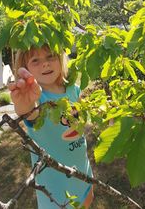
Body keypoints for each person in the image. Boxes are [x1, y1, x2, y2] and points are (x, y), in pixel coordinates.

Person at [8, 44, 93, 209]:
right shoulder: (37, 99)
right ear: (25, 68)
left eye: (50, 56)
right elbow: (29, 112)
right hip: (55, 187)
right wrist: (25, 105)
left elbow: (82, 121)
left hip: (83, 171)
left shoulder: (73, 89)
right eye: (35, 60)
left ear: (61, 58)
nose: (45, 64)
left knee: (87, 201)